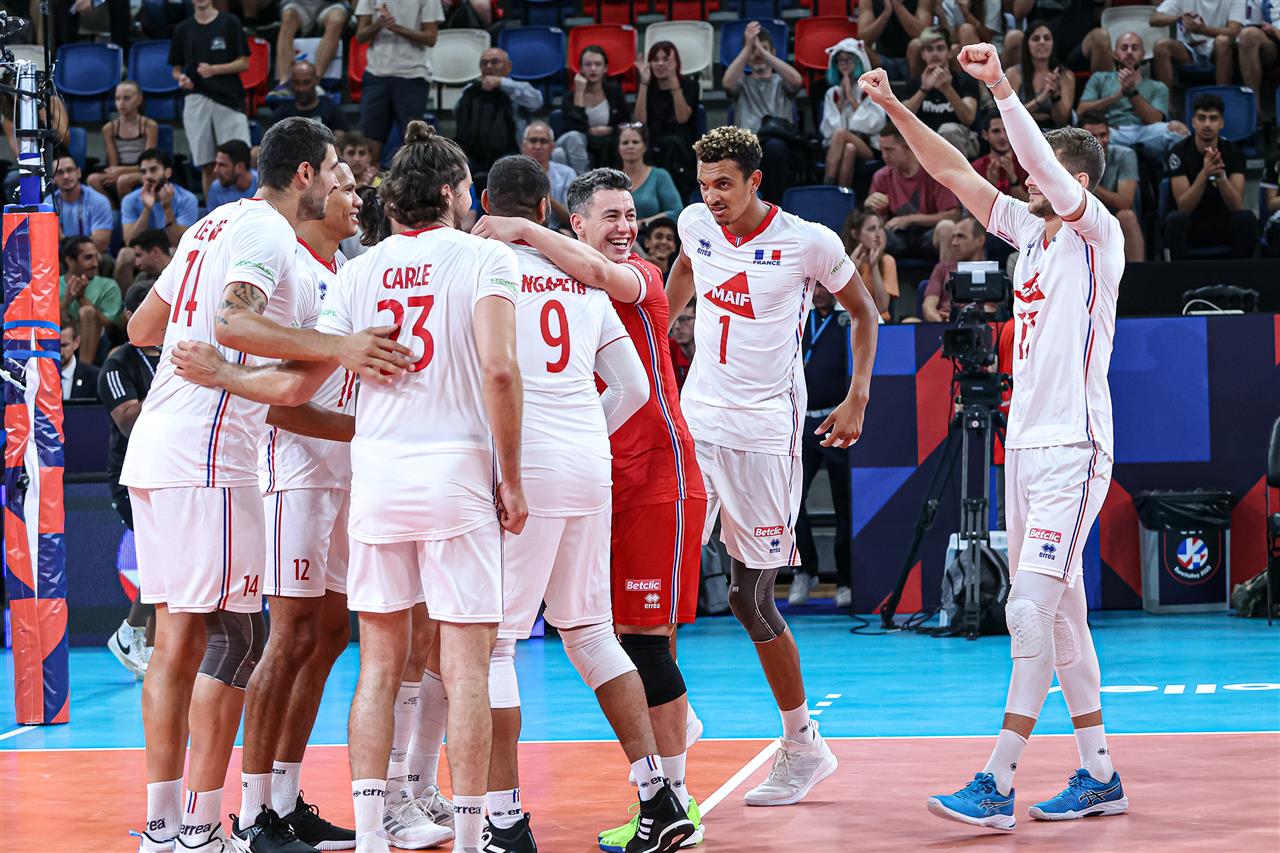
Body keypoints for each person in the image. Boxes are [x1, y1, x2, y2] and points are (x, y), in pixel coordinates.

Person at [176, 121, 524, 853]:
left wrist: (224, 373)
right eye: (336, 175)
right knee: (462, 667)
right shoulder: (483, 256)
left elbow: (294, 384)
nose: (349, 190)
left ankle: (374, 824)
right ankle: (462, 835)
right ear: (452, 193)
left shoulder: (355, 275)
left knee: (374, 657)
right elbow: (499, 369)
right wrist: (513, 476)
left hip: (374, 480)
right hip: (441, 472)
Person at [858, 43, 1129, 829]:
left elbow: (1038, 166)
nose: (1024, 182)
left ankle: (997, 779)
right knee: (1063, 615)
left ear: (1075, 182)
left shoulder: (1095, 232)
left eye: (1042, 175)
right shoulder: (1029, 235)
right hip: (1029, 447)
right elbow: (954, 173)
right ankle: (1100, 774)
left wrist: (1003, 88)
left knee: (1027, 609)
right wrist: (895, 107)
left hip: (1075, 446)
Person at [121, 116, 401, 853]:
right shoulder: (268, 233)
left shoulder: (209, 224)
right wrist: (334, 346)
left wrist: (246, 362)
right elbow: (232, 319)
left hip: (159, 445)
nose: (341, 182)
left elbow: (143, 326)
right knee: (238, 636)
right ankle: (203, 827)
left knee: (176, 639)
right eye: (334, 169)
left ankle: (164, 827)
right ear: (304, 174)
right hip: (210, 455)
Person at [472, 165, 709, 850]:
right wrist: (584, 442)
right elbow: (632, 385)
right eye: (613, 216)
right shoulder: (579, 278)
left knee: (500, 644)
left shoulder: (488, 269)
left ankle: (504, 818)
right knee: (595, 634)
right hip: (594, 470)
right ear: (554, 210)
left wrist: (514, 460)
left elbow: (483, 374)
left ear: (486, 205)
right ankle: (660, 796)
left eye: (630, 215)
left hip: (568, 472)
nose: (626, 227)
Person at [665, 127, 879, 806]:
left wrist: (856, 396)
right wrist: (660, 330)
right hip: (698, 421)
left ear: (755, 181)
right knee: (663, 579)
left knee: (749, 598)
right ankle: (673, 719)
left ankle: (803, 744)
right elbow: (685, 270)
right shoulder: (695, 223)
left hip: (764, 434)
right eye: (704, 184)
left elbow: (864, 312)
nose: (712, 197)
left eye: (724, 183)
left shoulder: (808, 242)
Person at [100, 283, 163, 679]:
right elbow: (127, 421)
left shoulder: (174, 353)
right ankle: (133, 635)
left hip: (171, 470)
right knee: (165, 561)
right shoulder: (118, 363)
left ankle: (141, 641)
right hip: (132, 476)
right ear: (131, 317)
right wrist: (170, 388)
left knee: (168, 562)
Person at [787, 284, 854, 609]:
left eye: (825, 285)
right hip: (803, 423)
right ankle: (805, 570)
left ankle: (846, 578)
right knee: (791, 500)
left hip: (838, 423)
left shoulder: (847, 320)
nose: (819, 292)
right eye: (814, 286)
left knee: (846, 505)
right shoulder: (799, 317)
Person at [169, 0, 251, 197]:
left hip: (229, 98)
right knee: (208, 165)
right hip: (197, 98)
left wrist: (214, 69)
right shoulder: (183, 29)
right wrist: (181, 78)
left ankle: (247, 207)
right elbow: (176, 69)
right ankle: (212, 210)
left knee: (238, 162)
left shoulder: (230, 22)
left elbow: (244, 63)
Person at [1164, 93, 1258, 260]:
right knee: (1175, 220)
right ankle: (1180, 274)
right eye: (1202, 118)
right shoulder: (1179, 152)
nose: (1207, 124)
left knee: (1246, 218)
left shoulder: (1233, 152)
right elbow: (1183, 207)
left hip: (1223, 222)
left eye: (1213, 118)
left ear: (1221, 123)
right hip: (1192, 224)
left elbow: (1237, 206)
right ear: (1193, 122)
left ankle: (1240, 273)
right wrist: (1205, 173)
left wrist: (1221, 176)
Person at [722, 21, 804, 204]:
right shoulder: (742, 82)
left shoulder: (781, 81)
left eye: (764, 49)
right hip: (748, 144)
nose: (757, 54)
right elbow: (727, 83)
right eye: (753, 51)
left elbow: (797, 81)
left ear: (773, 52)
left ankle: (774, 207)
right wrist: (748, 47)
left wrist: (761, 50)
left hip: (779, 143)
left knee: (775, 148)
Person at [354, 0, 444, 165]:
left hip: (413, 74)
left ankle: (412, 178)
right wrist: (379, 24)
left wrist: (396, 28)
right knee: (371, 137)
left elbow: (431, 38)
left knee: (413, 138)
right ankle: (369, 180)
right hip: (376, 73)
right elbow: (360, 36)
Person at [1076, 32, 1188, 164]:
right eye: (1124, 48)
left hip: (1145, 131)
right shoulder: (1100, 78)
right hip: (1113, 131)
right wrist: (1116, 96)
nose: (1129, 52)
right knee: (1086, 135)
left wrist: (1132, 92)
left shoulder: (1158, 86)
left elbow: (1155, 119)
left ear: (1143, 54)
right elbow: (1082, 111)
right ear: (1115, 54)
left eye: (1134, 48)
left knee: (1179, 130)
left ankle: (1176, 173)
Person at [866, 123, 961, 263]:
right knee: (867, 231)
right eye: (882, 150)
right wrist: (869, 208)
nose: (884, 156)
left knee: (947, 227)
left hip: (929, 234)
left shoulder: (935, 172)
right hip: (897, 236)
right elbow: (879, 222)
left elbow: (953, 215)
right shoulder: (881, 176)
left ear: (908, 147)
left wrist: (910, 219)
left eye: (889, 150)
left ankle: (945, 275)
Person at [454, 48, 546, 176]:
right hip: (472, 154)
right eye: (484, 63)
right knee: (455, 168)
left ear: (508, 67)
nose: (489, 66)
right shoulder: (469, 90)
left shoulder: (516, 89)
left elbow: (536, 102)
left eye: (494, 62)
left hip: (509, 152)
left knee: (509, 169)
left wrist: (502, 83)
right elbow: (457, 113)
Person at [635, 41, 701, 198]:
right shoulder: (648, 87)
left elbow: (682, 118)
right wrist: (643, 83)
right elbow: (640, 122)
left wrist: (673, 80)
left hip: (682, 145)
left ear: (676, 62)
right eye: (655, 59)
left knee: (673, 146)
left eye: (665, 59)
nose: (660, 64)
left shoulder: (690, 85)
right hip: (654, 144)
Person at [556, 45, 631, 174]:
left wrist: (611, 130)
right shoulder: (570, 97)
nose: (593, 68)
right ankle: (583, 181)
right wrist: (579, 93)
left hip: (606, 144)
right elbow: (572, 129)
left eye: (598, 64)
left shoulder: (614, 91)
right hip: (578, 146)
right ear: (581, 68)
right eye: (588, 64)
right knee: (573, 138)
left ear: (605, 68)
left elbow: (626, 123)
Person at [1079, 112, 1144, 262]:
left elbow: (1125, 203)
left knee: (1127, 216)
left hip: (1113, 214)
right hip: (1082, 215)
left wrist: (1085, 183)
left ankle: (1139, 273)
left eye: (1103, 135)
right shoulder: (1071, 159)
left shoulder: (1125, 155)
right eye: (1093, 137)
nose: (1099, 141)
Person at [904, 27, 979, 150]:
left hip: (960, 140)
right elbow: (902, 118)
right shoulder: (915, 83)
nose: (935, 53)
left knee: (948, 130)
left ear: (949, 52)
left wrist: (948, 89)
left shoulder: (965, 80)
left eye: (940, 48)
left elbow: (968, 118)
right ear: (923, 54)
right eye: (929, 49)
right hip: (926, 140)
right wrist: (923, 90)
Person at [88, 81, 159, 200]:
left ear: (139, 100)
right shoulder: (109, 128)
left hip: (143, 170)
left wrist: (121, 171)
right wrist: (113, 172)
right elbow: (113, 163)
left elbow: (149, 162)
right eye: (117, 98)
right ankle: (112, 209)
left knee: (123, 180)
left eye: (127, 98)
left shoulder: (149, 125)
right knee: (92, 179)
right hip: (120, 170)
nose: (121, 103)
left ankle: (127, 211)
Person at [820, 40, 876, 189]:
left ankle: (826, 186)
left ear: (858, 61)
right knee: (849, 149)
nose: (844, 64)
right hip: (840, 147)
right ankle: (842, 194)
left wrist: (851, 99)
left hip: (867, 146)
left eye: (848, 60)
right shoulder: (832, 93)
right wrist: (842, 99)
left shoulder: (870, 90)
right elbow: (828, 130)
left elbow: (874, 124)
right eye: (840, 61)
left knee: (841, 134)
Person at [1151, 1, 1243, 91]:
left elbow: (1234, 32)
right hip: (1189, 48)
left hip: (1215, 48)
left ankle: (1223, 95)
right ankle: (1165, 99)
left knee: (1223, 41)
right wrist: (1179, 18)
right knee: (1161, 45)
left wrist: (1203, 30)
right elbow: (1154, 19)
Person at [59, 235, 123, 365]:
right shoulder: (52, 285)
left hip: (98, 343)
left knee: (87, 311)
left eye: (96, 257)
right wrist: (66, 302)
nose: (95, 264)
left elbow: (109, 326)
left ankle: (84, 370)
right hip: (61, 336)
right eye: (88, 258)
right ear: (70, 260)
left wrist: (81, 298)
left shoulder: (108, 285)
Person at [121, 148, 200, 246]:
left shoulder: (187, 199)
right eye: (143, 172)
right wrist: (146, 210)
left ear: (168, 172)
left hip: (173, 250)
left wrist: (167, 209)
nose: (148, 176)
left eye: (153, 170)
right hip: (143, 250)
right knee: (125, 253)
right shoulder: (130, 200)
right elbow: (130, 242)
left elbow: (178, 243)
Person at [1005, 22, 1073, 130]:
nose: (1042, 42)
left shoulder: (1065, 76)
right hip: (1022, 131)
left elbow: (1063, 121)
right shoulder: (1013, 73)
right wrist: (1043, 97)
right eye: (1036, 39)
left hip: (1055, 133)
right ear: (1027, 44)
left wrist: (1055, 95)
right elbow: (1011, 115)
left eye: (1047, 38)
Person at [273, 0, 350, 95]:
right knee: (288, 17)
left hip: (331, 4)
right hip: (298, 4)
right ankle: (284, 83)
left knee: (336, 19)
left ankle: (315, 82)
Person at [922, 214, 987, 323]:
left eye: (961, 236)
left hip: (977, 324)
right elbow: (928, 306)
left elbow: (992, 309)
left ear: (980, 240)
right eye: (953, 237)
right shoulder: (942, 268)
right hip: (945, 324)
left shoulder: (992, 272)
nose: (954, 243)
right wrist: (939, 320)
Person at [618, 124, 682, 229]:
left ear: (644, 146)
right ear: (619, 148)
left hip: (650, 235)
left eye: (635, 142)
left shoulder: (660, 176)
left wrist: (643, 223)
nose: (630, 146)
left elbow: (676, 212)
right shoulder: (612, 180)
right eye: (625, 143)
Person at [46, 154, 113, 253]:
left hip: (92, 255)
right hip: (60, 256)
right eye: (60, 172)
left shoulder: (99, 201)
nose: (66, 176)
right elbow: (46, 243)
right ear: (53, 179)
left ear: (78, 173)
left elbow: (101, 243)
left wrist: (63, 240)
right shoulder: (47, 204)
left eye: (70, 170)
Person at [857, 0, 937, 81]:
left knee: (916, 45)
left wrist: (898, 6)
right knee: (857, 46)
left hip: (912, 59)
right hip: (880, 59)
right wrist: (886, 12)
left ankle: (915, 85)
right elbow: (863, 39)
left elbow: (924, 35)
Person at [270, 60, 350, 139]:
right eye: (297, 83)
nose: (301, 88)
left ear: (316, 81)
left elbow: (340, 140)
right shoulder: (281, 114)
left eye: (306, 82)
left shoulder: (332, 110)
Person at [519, 121, 576, 231]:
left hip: (555, 232)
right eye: (533, 140)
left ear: (552, 147)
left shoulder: (567, 174)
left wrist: (546, 195)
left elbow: (572, 219)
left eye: (543, 141)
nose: (538, 146)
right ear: (524, 146)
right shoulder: (512, 173)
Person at [842, 210, 895, 320]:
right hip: (850, 319)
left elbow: (882, 307)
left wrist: (874, 266)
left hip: (878, 321)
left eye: (880, 227)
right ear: (855, 234)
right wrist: (851, 271)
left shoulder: (887, 260)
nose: (878, 234)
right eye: (871, 229)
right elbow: (840, 304)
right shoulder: (843, 260)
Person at [971, 112, 1029, 202]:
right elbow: (974, 208)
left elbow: (1032, 206)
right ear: (985, 134)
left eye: (1007, 130)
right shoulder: (975, 168)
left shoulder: (1026, 163)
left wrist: (1013, 179)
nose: (1002, 136)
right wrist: (991, 185)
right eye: (996, 131)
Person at [1238, 5, 1280, 112]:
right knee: (1248, 35)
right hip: (1272, 45)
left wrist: (1277, 32)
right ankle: (1253, 110)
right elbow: (1255, 23)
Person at [208, 139, 259, 209]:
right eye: (216, 164)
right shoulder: (216, 188)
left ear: (240, 167)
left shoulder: (263, 185)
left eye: (222, 165)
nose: (215, 170)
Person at [60, 317, 101, 400]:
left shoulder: (95, 378)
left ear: (76, 342)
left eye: (64, 346)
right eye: (53, 345)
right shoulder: (35, 376)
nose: (59, 352)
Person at [669, 302, 695, 390]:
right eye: (673, 321)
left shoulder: (711, 351)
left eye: (684, 319)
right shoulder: (667, 348)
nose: (677, 326)